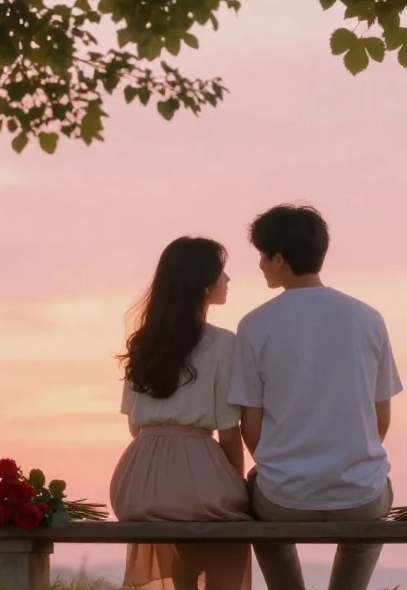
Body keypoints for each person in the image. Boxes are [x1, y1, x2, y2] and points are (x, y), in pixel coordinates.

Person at [228, 204, 403, 590]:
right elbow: (381, 419)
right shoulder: (367, 318)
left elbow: (250, 427)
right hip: (360, 493)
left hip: (283, 496)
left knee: (262, 519)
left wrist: (286, 468)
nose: (260, 266)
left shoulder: (255, 324)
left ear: (279, 258)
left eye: (262, 256)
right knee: (366, 531)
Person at [111, 237, 252, 590]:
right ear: (203, 284)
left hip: (137, 481)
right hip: (196, 468)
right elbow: (229, 432)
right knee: (233, 519)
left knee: (197, 527)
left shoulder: (143, 343)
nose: (228, 280)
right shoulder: (224, 343)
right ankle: (189, 571)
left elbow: (134, 425)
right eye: (222, 273)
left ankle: (184, 571)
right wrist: (235, 483)